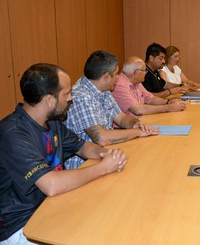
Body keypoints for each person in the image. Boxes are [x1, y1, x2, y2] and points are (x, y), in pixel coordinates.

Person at [0, 63, 127, 244]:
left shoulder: (52, 123)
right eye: (67, 94)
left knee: (111, 218)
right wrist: (104, 168)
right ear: (50, 100)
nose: (70, 98)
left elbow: (84, 147)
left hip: (53, 206)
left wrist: (106, 154)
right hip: (21, 225)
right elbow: (51, 184)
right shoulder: (13, 133)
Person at [64, 51, 159, 169]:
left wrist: (137, 123)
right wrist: (138, 132)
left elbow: (121, 118)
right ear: (106, 77)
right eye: (116, 74)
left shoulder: (104, 89)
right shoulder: (81, 96)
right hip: (85, 164)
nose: (118, 77)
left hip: (106, 155)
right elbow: (101, 138)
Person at [112, 56, 187, 118]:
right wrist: (169, 107)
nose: (146, 73)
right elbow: (138, 109)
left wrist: (168, 102)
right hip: (125, 128)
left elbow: (150, 99)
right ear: (137, 73)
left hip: (141, 121)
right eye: (145, 70)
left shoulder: (136, 81)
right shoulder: (119, 85)